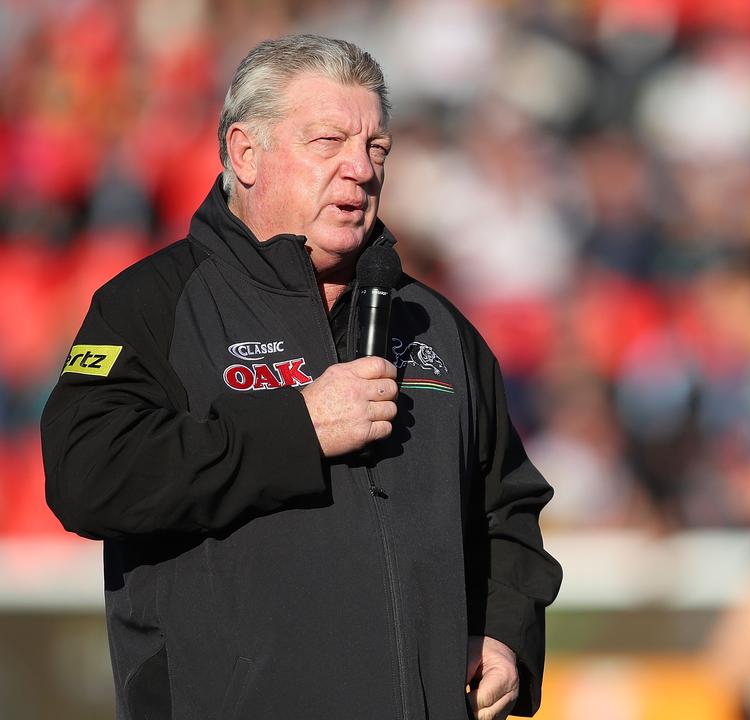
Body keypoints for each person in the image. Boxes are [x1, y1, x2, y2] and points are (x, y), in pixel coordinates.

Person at [41, 35, 561, 720]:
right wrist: (298, 428)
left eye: (376, 148)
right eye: (328, 141)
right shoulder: (152, 304)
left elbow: (508, 509)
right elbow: (87, 477)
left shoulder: (437, 324)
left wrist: (504, 632)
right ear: (244, 153)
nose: (360, 169)